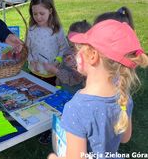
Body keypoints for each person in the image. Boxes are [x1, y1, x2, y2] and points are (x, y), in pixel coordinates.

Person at [47, 19, 148, 159]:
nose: (74, 54)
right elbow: (125, 137)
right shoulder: (124, 96)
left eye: (78, 49)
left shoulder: (76, 108)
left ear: (93, 56)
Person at [26, 0, 69, 86]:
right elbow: (27, 48)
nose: (38, 17)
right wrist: (31, 60)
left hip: (52, 74)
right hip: (35, 72)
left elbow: (64, 49)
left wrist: (56, 64)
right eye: (35, 14)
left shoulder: (57, 30)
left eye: (42, 13)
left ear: (50, 11)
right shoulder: (31, 29)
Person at [43, 20, 92, 93]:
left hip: (74, 93)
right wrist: (59, 64)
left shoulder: (84, 59)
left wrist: (55, 70)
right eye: (68, 37)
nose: (67, 38)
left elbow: (72, 80)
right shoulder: (70, 50)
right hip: (64, 88)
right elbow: (64, 64)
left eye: (70, 37)